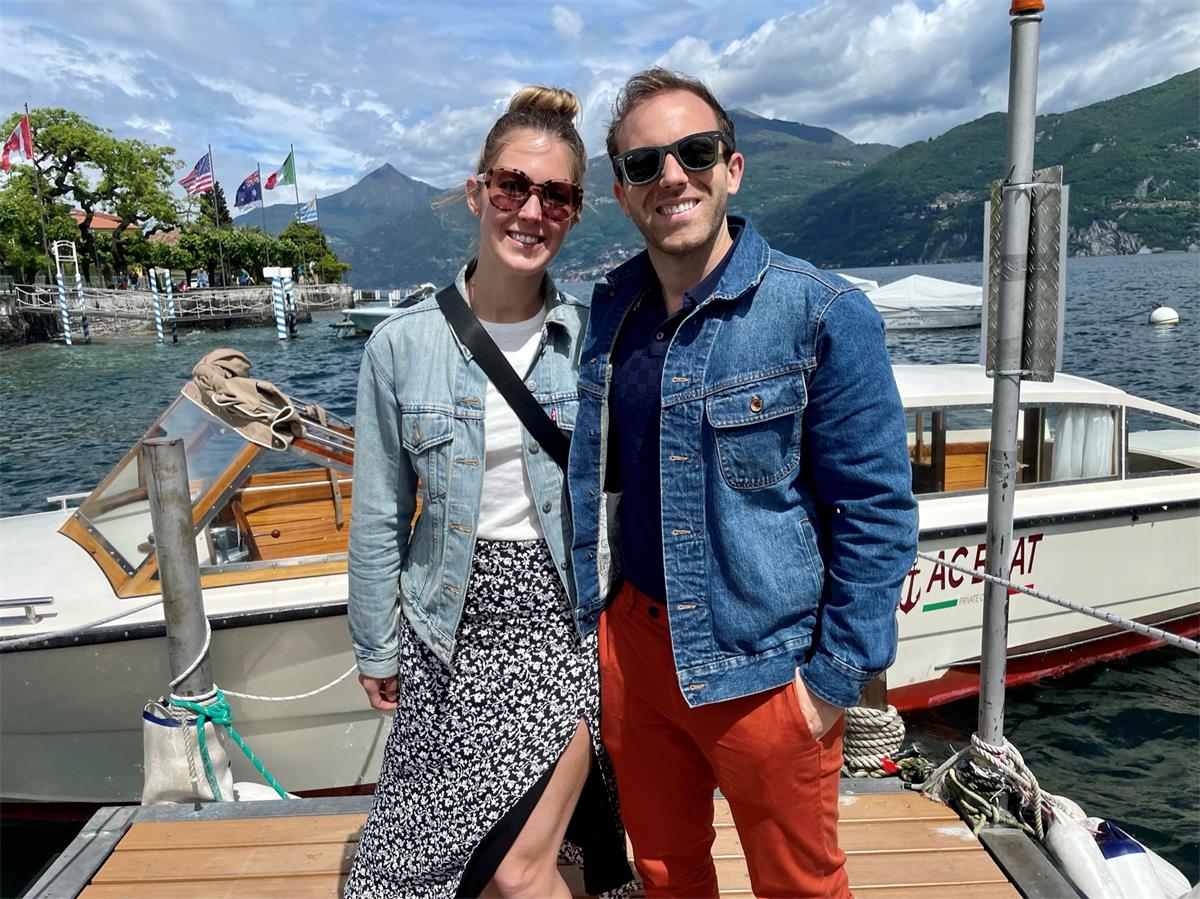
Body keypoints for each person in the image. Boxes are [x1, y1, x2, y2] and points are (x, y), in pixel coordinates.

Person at [566, 68, 918, 898]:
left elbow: (876, 509)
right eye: (646, 163)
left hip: (765, 669)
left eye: (694, 151)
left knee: (799, 884)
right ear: (622, 192)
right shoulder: (608, 312)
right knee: (664, 870)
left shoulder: (822, 312)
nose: (673, 176)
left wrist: (830, 684)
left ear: (733, 166)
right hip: (636, 652)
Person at [344, 85, 633, 899]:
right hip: (447, 628)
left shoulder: (595, 342)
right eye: (513, 186)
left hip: (564, 628)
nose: (531, 210)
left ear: (575, 212)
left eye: (557, 195)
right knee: (403, 876)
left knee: (517, 865)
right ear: (477, 192)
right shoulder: (401, 347)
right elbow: (377, 513)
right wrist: (376, 639)